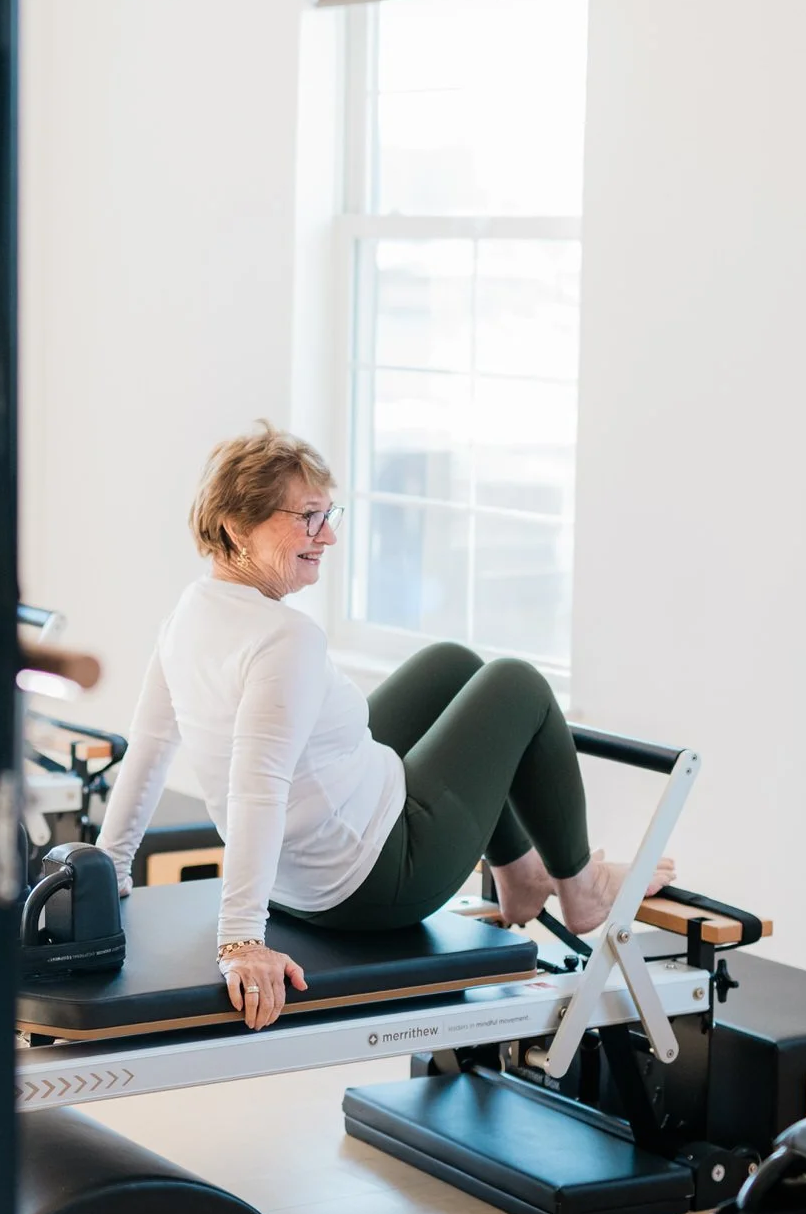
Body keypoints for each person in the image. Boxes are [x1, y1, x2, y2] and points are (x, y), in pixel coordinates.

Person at [97, 425, 673, 1032]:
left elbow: (152, 746)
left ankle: (522, 873)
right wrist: (240, 940)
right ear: (238, 528)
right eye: (308, 517)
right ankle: (581, 890)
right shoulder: (283, 639)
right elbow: (256, 788)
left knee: (451, 665)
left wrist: (112, 862)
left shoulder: (190, 614)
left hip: (301, 877)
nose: (329, 536)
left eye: (329, 514)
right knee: (518, 684)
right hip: (379, 881)